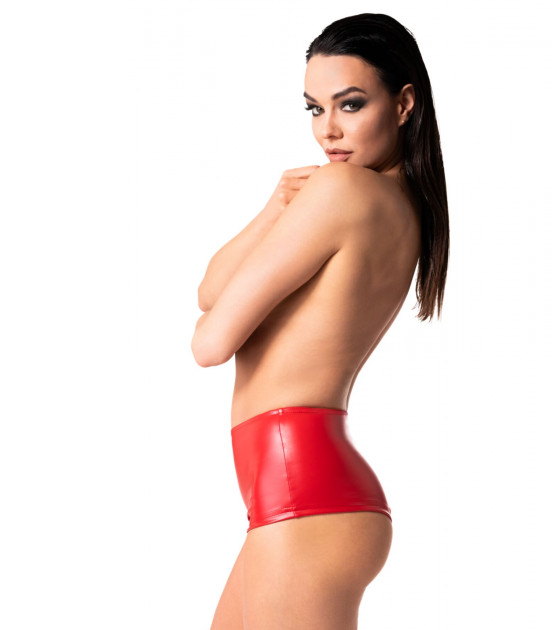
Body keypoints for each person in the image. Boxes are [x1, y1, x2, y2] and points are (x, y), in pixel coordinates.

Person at [191, 12, 449, 630]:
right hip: (301, 494)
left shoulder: (342, 191)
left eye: (350, 104)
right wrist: (275, 208)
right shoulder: (396, 206)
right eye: (314, 108)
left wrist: (288, 211)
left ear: (404, 103)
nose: (327, 130)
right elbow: (210, 290)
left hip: (303, 498)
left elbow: (210, 340)